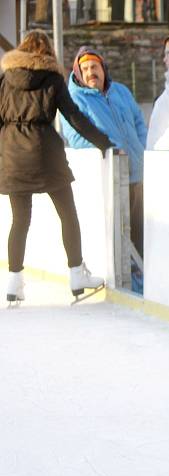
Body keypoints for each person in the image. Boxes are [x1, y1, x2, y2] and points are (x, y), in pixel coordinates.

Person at [1, 30, 111, 304]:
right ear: (48, 52)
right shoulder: (52, 79)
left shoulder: (4, 80)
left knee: (19, 220)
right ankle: (76, 274)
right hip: (46, 154)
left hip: (13, 154)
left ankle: (14, 283)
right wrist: (105, 143)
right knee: (67, 214)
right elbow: (74, 117)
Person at [61, 46, 147, 259]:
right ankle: (127, 277)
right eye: (85, 68)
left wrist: (142, 147)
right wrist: (110, 153)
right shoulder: (74, 98)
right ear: (79, 73)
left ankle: (142, 275)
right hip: (111, 176)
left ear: (103, 68)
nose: (91, 72)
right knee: (119, 233)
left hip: (137, 171)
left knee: (141, 229)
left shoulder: (120, 90)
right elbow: (76, 138)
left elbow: (139, 121)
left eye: (94, 66)